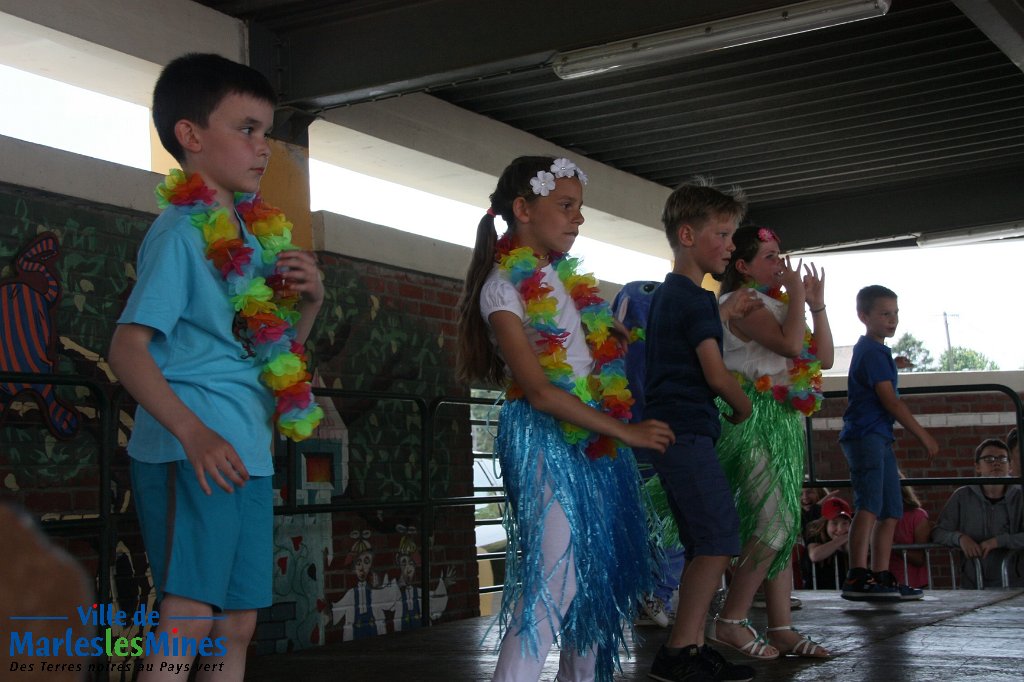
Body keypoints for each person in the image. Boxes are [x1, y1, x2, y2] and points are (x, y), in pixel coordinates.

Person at [108, 53, 324, 681]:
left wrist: (310, 304)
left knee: (235, 625)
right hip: (194, 448)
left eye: (268, 132)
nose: (264, 148)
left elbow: (273, 357)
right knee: (189, 617)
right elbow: (128, 347)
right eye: (247, 129)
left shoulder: (255, 236)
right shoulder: (181, 231)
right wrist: (193, 432)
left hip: (246, 452)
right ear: (192, 136)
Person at [455, 156, 675, 682]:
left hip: (593, 435)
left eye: (580, 208)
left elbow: (573, 350)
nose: (578, 219)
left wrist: (602, 331)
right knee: (557, 580)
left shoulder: (558, 277)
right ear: (523, 209)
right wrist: (626, 430)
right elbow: (539, 389)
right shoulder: (502, 286)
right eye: (566, 206)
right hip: (545, 438)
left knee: (597, 578)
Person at [641, 177, 758, 682]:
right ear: (687, 235)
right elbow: (714, 372)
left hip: (678, 431)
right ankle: (679, 652)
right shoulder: (693, 300)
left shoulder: (674, 296)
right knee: (717, 539)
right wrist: (741, 408)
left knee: (703, 541)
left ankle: (685, 648)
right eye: (724, 233)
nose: (731, 246)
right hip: (687, 430)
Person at [708, 224, 833, 661]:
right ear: (741, 267)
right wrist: (797, 291)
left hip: (780, 420)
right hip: (751, 417)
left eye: (781, 255)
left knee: (785, 523)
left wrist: (817, 306)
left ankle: (782, 626)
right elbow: (790, 343)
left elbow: (822, 357)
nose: (780, 264)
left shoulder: (778, 304)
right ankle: (731, 619)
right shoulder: (742, 303)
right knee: (772, 525)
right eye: (769, 257)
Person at [839, 285, 938, 601]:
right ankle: (857, 574)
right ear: (864, 316)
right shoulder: (872, 351)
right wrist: (923, 435)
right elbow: (890, 401)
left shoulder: (876, 352)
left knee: (890, 509)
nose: (892, 320)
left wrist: (895, 364)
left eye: (895, 313)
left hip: (878, 436)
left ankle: (880, 574)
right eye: (884, 314)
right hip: (867, 435)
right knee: (868, 505)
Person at [931, 438, 1024, 588]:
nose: (996, 462)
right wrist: (960, 538)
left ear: (1010, 466)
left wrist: (999, 541)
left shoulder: (1020, 496)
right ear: (977, 467)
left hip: (1015, 583)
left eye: (1002, 458)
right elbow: (938, 532)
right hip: (973, 583)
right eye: (989, 459)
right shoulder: (962, 496)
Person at [888, 481, 932, 589]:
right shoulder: (876, 516)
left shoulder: (918, 516)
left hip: (914, 584)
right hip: (886, 583)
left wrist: (891, 546)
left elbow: (919, 558)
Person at [804, 497, 853, 590]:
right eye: (834, 523)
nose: (840, 529)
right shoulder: (816, 536)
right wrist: (845, 537)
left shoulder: (852, 538)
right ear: (825, 523)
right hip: (817, 593)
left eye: (845, 523)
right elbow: (815, 555)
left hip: (844, 592)